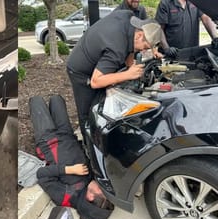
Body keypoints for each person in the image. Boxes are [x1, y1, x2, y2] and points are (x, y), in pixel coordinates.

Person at [66, 9, 163, 137]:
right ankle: (88, 146)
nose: (143, 50)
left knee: (101, 100)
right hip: (81, 71)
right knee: (88, 114)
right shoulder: (117, 48)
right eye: (145, 47)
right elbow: (96, 82)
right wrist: (129, 74)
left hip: (96, 56)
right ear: (139, 35)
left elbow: (131, 45)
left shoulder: (128, 17)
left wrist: (130, 65)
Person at [29, 95, 113, 219]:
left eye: (101, 191)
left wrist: (69, 170)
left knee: (36, 101)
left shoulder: (66, 196)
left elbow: (42, 175)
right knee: (57, 99)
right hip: (67, 135)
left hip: (48, 141)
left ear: (90, 197)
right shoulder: (92, 182)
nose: (103, 187)